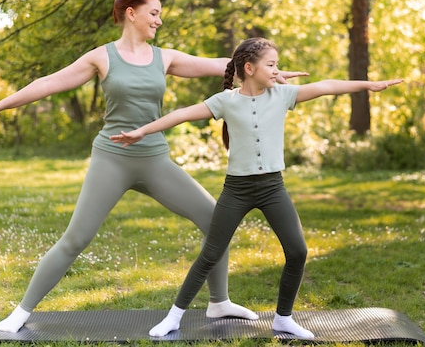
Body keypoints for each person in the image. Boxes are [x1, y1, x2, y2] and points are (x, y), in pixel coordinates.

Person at [0, 0, 307, 333]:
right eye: (153, 13)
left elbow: (224, 65)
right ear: (131, 13)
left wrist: (271, 71)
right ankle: (22, 310)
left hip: (155, 159)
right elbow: (50, 82)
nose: (159, 19)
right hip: (112, 159)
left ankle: (219, 302)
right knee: (77, 238)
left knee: (213, 220)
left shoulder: (164, 57)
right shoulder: (102, 57)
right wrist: (0, 105)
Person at [110, 37, 404, 339]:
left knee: (298, 251)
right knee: (211, 253)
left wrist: (368, 84)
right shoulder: (226, 100)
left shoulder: (282, 95)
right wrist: (141, 132)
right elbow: (181, 114)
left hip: (272, 188)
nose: (279, 71)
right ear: (249, 68)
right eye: (272, 65)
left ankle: (283, 319)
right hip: (236, 190)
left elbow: (326, 86)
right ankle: (173, 317)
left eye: (277, 65)